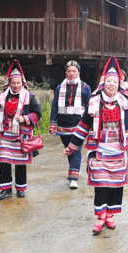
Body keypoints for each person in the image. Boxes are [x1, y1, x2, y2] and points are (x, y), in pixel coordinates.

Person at [64, 57, 128, 234]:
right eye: (108, 81)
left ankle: (111, 215)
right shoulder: (94, 103)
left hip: (119, 153)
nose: (111, 85)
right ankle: (100, 217)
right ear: (103, 84)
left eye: (114, 82)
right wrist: (72, 146)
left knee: (116, 186)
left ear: (119, 84)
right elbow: (83, 127)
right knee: (101, 185)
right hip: (99, 153)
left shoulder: (125, 105)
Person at [0, 60, 41, 200]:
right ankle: (5, 189)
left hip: (21, 135)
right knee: (4, 162)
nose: (16, 86)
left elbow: (37, 113)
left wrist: (25, 118)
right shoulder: (3, 96)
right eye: (13, 83)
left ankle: (21, 188)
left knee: (20, 163)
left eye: (18, 83)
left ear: (22, 82)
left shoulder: (30, 97)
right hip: (5, 134)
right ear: (9, 83)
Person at [50, 60, 91, 189]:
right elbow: (55, 105)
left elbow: (90, 106)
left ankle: (73, 178)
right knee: (69, 150)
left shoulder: (85, 87)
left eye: (74, 71)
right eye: (69, 71)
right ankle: (74, 169)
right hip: (63, 125)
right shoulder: (59, 88)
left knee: (76, 149)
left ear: (78, 72)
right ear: (65, 73)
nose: (71, 73)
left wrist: (90, 125)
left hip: (79, 124)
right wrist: (53, 123)